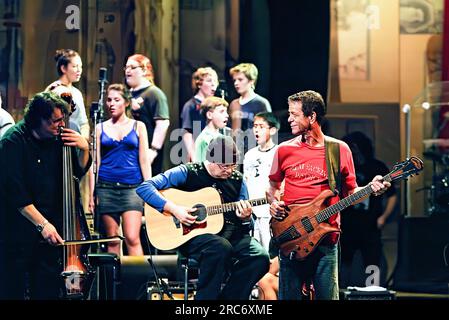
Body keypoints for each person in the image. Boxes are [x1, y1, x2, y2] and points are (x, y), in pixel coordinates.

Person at [267, 90, 390, 300]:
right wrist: (274, 202)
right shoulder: (283, 150)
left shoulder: (339, 150)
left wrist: (371, 188)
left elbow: (351, 193)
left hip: (325, 239)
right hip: (290, 237)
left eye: (294, 114)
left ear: (312, 116)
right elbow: (273, 186)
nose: (289, 119)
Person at [136, 135, 270, 300]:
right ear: (211, 160)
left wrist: (245, 218)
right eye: (224, 166)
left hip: (231, 234)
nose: (229, 170)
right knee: (220, 247)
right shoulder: (188, 172)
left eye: (233, 166)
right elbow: (144, 188)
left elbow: (246, 226)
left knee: (260, 257)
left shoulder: (237, 180)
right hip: (194, 237)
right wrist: (175, 210)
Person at [0, 91, 91, 299]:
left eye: (62, 120)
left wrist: (85, 148)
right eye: (55, 121)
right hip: (18, 231)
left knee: (46, 289)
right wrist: (42, 224)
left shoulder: (58, 139)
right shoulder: (12, 142)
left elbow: (76, 173)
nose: (62, 125)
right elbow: (16, 193)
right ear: (37, 120)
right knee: (12, 289)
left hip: (50, 232)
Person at [91, 84, 151, 256]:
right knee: (112, 240)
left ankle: (137, 282)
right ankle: (114, 282)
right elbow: (95, 162)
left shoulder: (138, 126)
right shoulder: (100, 128)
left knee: (132, 237)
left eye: (116, 100)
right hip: (106, 187)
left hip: (132, 188)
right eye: (109, 100)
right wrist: (92, 195)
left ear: (125, 103)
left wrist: (149, 190)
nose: (111, 104)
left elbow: (144, 161)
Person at [340, 131, 397, 287]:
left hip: (370, 223)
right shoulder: (344, 168)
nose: (354, 150)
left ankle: (374, 292)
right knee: (343, 261)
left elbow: (392, 195)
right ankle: (340, 291)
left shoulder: (377, 167)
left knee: (372, 260)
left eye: (356, 147)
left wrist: (384, 217)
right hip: (347, 224)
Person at [125, 54, 170, 175]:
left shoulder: (154, 94)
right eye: (126, 67)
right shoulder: (127, 94)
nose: (128, 70)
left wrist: (153, 150)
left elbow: (163, 123)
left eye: (132, 67)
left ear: (144, 70)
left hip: (147, 153)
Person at [243, 112, 279, 252]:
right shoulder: (249, 155)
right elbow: (246, 181)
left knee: (270, 251)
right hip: (252, 211)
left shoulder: (279, 152)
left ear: (272, 130)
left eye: (261, 126)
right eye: (254, 126)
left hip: (269, 212)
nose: (256, 130)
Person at [228, 63, 271, 157]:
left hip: (255, 153)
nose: (236, 83)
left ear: (251, 81)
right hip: (235, 155)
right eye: (234, 80)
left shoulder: (261, 103)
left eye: (240, 79)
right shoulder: (233, 104)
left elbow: (268, 131)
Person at [45, 49, 89, 140]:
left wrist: (83, 139)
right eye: (74, 66)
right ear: (63, 68)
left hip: (76, 141)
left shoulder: (77, 93)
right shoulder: (53, 90)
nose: (79, 70)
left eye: (80, 67)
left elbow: (83, 122)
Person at [180, 67, 219, 162]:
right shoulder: (190, 105)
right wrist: (194, 157)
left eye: (215, 81)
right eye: (209, 81)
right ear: (199, 84)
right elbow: (187, 133)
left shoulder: (216, 105)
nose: (213, 84)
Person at [194, 96, 229, 162]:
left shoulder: (222, 137)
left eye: (226, 112)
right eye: (222, 112)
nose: (227, 115)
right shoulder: (204, 139)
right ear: (209, 115)